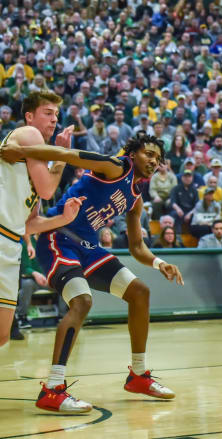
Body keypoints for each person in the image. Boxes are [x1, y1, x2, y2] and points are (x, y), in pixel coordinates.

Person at [1, 133, 184, 413]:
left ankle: (138, 375)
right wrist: (23, 151)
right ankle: (53, 389)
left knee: (140, 293)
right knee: (82, 301)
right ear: (133, 154)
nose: (153, 161)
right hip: (58, 236)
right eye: (148, 154)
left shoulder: (135, 197)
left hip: (88, 247)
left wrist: (159, 263)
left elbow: (137, 247)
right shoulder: (114, 166)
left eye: (158, 159)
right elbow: (71, 155)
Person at [0, 91, 86, 347]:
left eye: (56, 115)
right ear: (29, 116)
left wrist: (63, 218)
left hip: (11, 241)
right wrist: (61, 154)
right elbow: (49, 189)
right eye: (48, 113)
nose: (54, 120)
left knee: (3, 335)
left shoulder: (38, 158)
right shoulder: (29, 134)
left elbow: (30, 223)